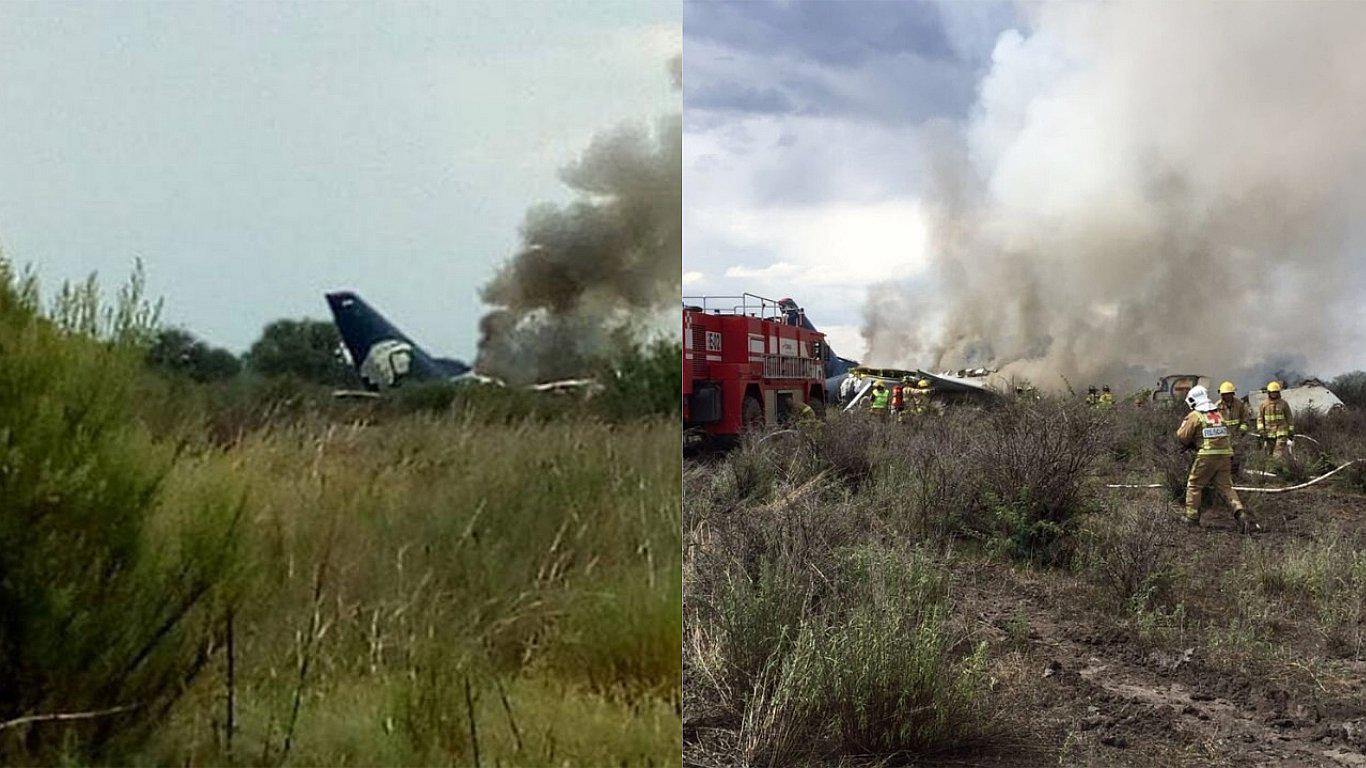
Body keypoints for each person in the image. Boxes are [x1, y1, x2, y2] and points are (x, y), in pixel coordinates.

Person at [1176, 385, 1257, 532]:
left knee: (1194, 485)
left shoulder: (1195, 415)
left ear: (1193, 401)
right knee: (1226, 487)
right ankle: (1241, 514)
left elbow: (1182, 436)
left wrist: (1192, 441)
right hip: (1225, 455)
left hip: (1207, 456)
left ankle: (1191, 518)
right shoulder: (1218, 414)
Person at [1216, 381, 1253, 476]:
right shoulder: (1217, 406)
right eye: (1224, 394)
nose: (1226, 396)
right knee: (1224, 458)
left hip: (1237, 436)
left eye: (1228, 394)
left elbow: (1245, 419)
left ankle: (1235, 476)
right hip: (1223, 437)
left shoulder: (1239, 404)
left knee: (1237, 457)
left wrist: (1241, 430)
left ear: (1233, 393)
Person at [1257, 381, 1295, 459]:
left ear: (1278, 392)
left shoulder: (1284, 404)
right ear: (1269, 393)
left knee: (1278, 453)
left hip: (1281, 432)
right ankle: (1271, 466)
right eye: (1272, 392)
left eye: (1275, 392)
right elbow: (1260, 419)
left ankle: (1277, 464)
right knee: (1269, 453)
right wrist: (1261, 430)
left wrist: (1291, 431)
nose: (1274, 394)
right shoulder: (1264, 404)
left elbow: (1289, 417)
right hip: (1268, 433)